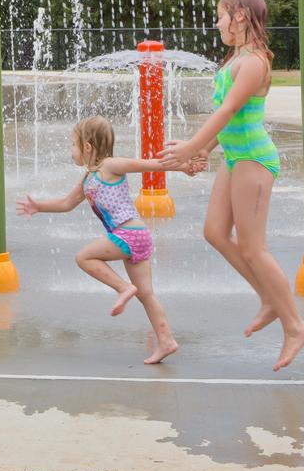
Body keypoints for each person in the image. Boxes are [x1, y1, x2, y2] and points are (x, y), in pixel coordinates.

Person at [162, 0, 304, 372]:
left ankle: (295, 325)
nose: (217, 23)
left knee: (253, 248)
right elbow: (225, 116)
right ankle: (267, 298)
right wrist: (203, 150)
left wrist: (192, 145)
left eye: (221, 15)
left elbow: (230, 108)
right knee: (214, 231)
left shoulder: (255, 63)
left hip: (254, 159)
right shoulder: (236, 60)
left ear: (240, 16)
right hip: (235, 157)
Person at [16, 116, 182, 364]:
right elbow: (65, 203)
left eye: (73, 144)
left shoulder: (110, 166)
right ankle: (167, 340)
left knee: (84, 256)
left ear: (87, 147)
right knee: (146, 294)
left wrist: (183, 166)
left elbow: (150, 165)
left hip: (129, 233)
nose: (70, 151)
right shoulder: (87, 179)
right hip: (137, 237)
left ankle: (123, 287)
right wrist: (38, 206)